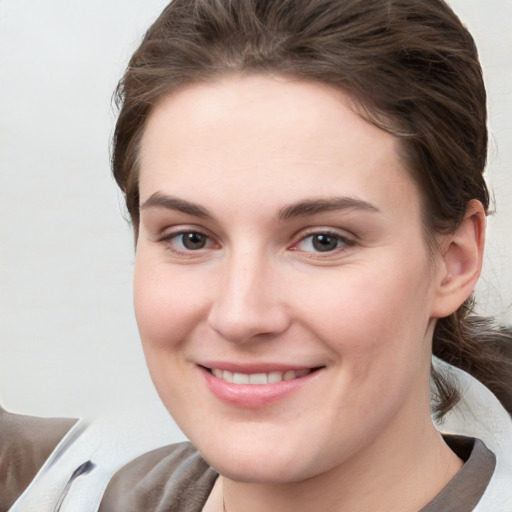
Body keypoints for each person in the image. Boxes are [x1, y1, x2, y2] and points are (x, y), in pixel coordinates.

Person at [3, 0, 512, 511]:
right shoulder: (55, 487)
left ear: (454, 260)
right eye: (191, 238)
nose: (240, 316)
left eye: (323, 241)